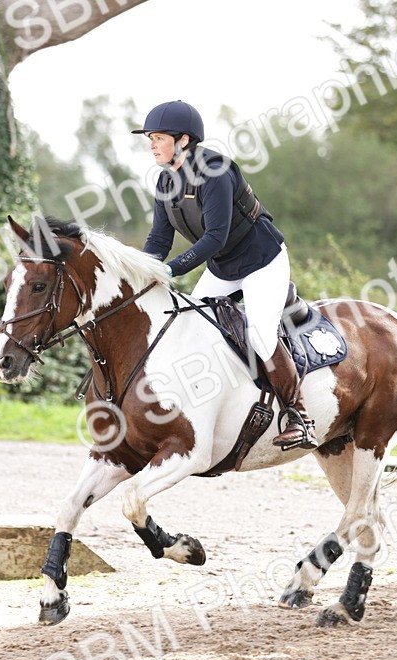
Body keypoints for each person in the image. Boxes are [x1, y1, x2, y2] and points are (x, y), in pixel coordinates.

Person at [134, 100, 317, 450]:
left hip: (262, 261)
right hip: (224, 267)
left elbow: (214, 237)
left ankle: (299, 416)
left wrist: (169, 270)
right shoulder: (164, 181)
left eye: (157, 137)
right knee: (188, 329)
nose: (151, 144)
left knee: (260, 334)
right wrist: (141, 273)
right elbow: (159, 239)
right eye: (150, 139)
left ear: (183, 140)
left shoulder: (215, 172)